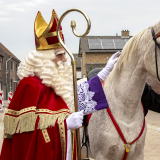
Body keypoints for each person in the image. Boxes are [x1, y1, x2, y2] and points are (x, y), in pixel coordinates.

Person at [0, 9, 120, 160]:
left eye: (64, 53)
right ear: (44, 59)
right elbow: (27, 139)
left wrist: (103, 73)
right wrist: (63, 125)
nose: (65, 59)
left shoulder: (54, 83)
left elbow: (77, 98)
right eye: (60, 55)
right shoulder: (30, 86)